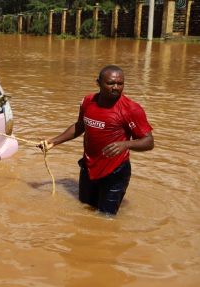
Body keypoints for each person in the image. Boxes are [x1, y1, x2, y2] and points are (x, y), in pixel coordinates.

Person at [40, 65, 154, 215]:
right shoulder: (88, 101)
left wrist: (126, 144)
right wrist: (54, 142)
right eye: (111, 83)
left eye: (120, 84)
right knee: (84, 210)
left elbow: (149, 141)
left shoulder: (131, 109)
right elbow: (80, 125)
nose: (116, 87)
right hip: (88, 167)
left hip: (115, 171)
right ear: (98, 83)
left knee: (106, 217)